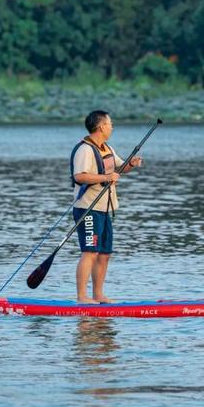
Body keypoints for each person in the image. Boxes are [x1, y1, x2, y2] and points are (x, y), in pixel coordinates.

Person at [71, 110, 142, 303]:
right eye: (110, 124)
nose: (112, 127)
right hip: (87, 209)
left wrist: (131, 164)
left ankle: (98, 294)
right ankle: (82, 296)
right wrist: (105, 178)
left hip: (105, 209)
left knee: (104, 254)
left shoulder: (107, 148)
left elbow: (119, 169)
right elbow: (80, 176)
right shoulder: (84, 150)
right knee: (90, 252)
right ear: (101, 126)